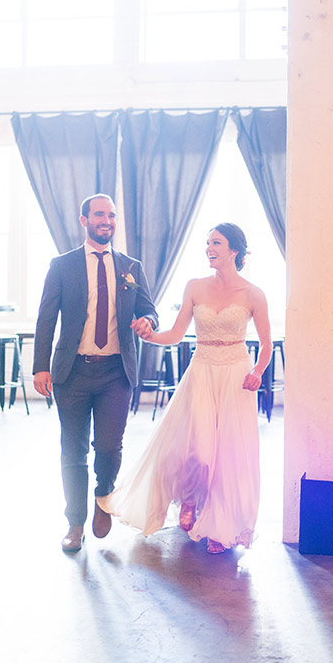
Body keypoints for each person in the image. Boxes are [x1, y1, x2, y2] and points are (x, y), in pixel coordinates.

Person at [98, 223, 271, 554]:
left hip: (236, 376)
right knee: (200, 452)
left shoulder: (253, 294)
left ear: (234, 250)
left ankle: (221, 527)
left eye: (216, 243)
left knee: (229, 456)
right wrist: (149, 335)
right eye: (207, 243)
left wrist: (258, 371)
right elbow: (176, 334)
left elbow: (266, 344)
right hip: (202, 372)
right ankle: (189, 498)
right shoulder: (194, 287)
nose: (209, 248)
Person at [33, 193, 159, 553]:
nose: (108, 220)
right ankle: (75, 523)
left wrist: (147, 321)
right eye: (100, 214)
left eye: (113, 215)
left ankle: (104, 495)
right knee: (72, 451)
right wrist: (41, 365)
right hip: (71, 372)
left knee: (108, 446)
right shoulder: (62, 265)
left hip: (115, 374)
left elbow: (150, 309)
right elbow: (46, 317)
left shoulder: (130, 266)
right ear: (84, 219)